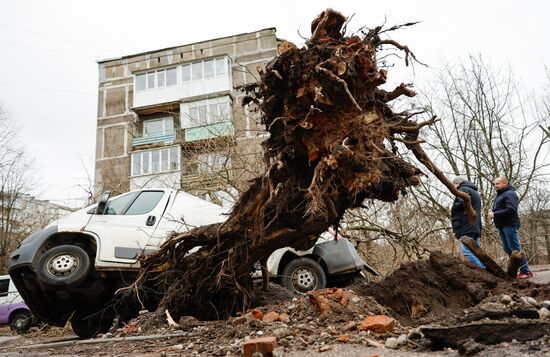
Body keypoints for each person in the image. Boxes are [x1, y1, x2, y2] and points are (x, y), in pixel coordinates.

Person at [489, 177, 533, 279]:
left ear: (505, 183)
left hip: (510, 225)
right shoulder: (499, 195)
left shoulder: (510, 193)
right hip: (501, 225)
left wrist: (494, 214)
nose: (495, 186)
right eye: (495, 184)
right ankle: (520, 270)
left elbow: (511, 209)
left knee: (516, 249)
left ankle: (525, 272)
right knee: (507, 248)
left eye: (497, 184)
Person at [451, 176, 485, 269]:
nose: (452, 187)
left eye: (453, 185)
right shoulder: (475, 192)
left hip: (466, 225)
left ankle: (482, 271)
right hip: (475, 226)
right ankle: (487, 271)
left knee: (466, 251)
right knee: (477, 252)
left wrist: (453, 208)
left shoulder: (463, 189)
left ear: (457, 183)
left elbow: (460, 204)